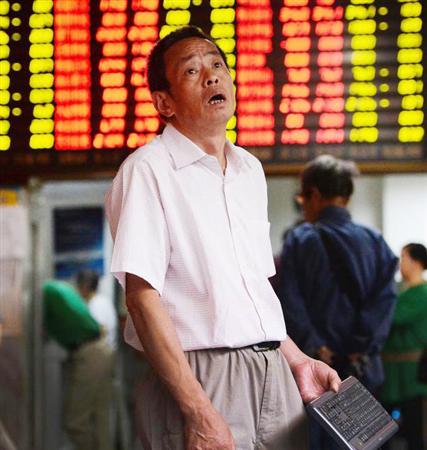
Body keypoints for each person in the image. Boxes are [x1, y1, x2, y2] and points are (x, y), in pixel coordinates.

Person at [105, 26, 340, 450]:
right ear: (164, 102)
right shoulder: (147, 171)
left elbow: (251, 293)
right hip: (200, 375)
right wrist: (198, 410)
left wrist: (297, 361)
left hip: (273, 371)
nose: (212, 76)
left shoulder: (250, 170)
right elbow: (141, 298)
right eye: (192, 71)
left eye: (217, 65)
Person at [276, 154, 398, 450]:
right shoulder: (375, 241)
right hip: (363, 369)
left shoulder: (299, 240)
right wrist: (361, 345)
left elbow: (289, 302)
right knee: (364, 442)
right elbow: (384, 301)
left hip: (316, 372)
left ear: (314, 194)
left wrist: (316, 345)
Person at [43, 279, 114, 450]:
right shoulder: (59, 289)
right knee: (100, 416)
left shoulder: (49, 293)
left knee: (74, 423)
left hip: (90, 354)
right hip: (102, 351)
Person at [381, 243, 427, 450]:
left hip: (411, 373)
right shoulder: (402, 291)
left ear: (416, 262)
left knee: (413, 430)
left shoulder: (422, 292)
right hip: (392, 371)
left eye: (403, 257)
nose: (400, 263)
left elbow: (393, 317)